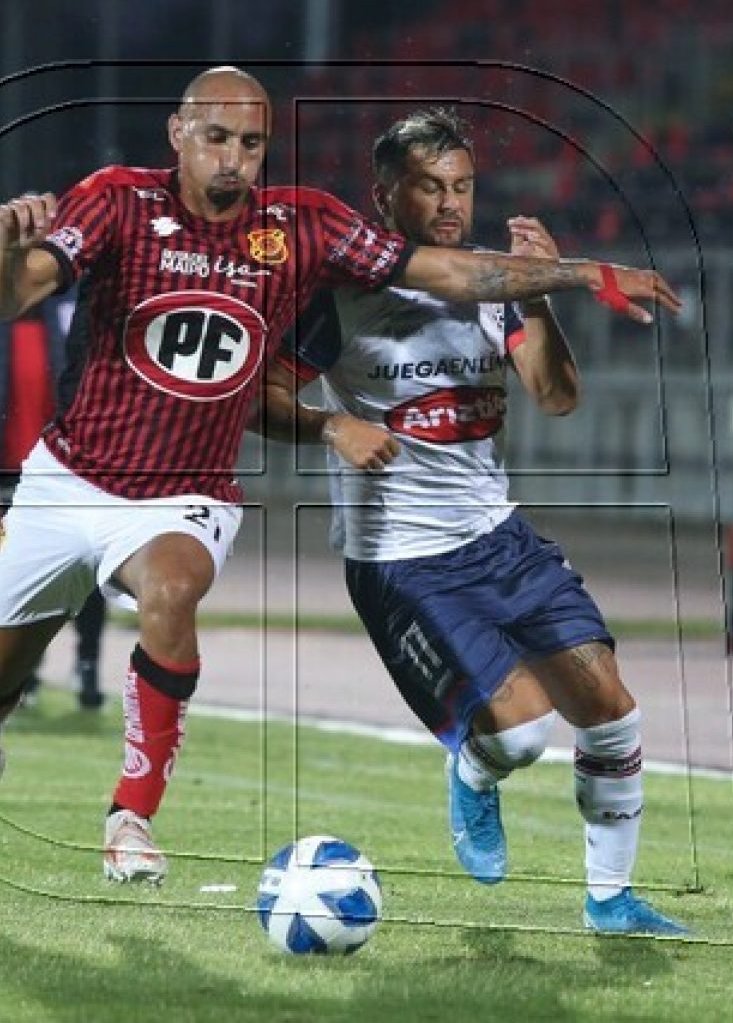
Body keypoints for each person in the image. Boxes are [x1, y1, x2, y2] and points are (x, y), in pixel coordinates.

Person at [0, 67, 681, 886]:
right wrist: (6, 253)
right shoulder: (115, 199)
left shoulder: (304, 227)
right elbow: (6, 301)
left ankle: (130, 815)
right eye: (217, 138)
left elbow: (456, 278)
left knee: (173, 594)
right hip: (73, 478)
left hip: (189, 491)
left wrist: (583, 274)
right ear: (178, 132)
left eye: (251, 143)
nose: (234, 159)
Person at [260, 108, 688, 935]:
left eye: (462, 186)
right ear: (387, 198)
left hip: (501, 538)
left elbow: (557, 398)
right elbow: (260, 400)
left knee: (613, 712)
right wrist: (329, 424)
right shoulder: (342, 297)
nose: (451, 204)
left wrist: (552, 292)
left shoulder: (500, 291)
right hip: (403, 559)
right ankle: (475, 774)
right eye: (430, 188)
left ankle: (611, 902)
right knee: (522, 736)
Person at [0, 278, 106, 710]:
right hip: (12, 459)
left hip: (81, 459)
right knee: (26, 571)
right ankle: (25, 669)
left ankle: (87, 664)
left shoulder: (77, 294)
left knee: (92, 565)